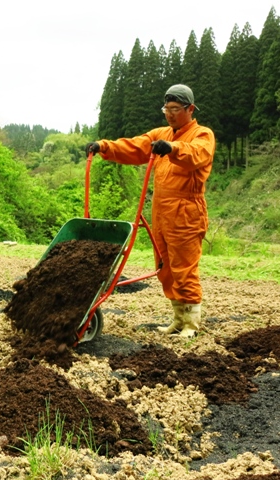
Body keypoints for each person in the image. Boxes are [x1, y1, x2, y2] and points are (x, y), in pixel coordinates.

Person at [86, 84, 215, 337]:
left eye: (175, 109)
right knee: (164, 266)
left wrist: (173, 148)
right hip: (161, 211)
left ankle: (191, 324)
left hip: (186, 211)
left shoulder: (202, 134)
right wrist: (104, 147)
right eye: (166, 109)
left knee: (184, 267)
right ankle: (178, 318)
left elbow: (197, 155)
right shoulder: (161, 133)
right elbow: (135, 147)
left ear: (190, 109)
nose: (169, 114)